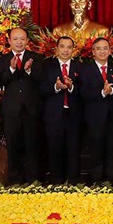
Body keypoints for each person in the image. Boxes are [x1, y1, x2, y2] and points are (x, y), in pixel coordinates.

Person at [0, 27, 43, 184]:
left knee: (32, 146)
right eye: (15, 39)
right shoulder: (3, 60)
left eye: (22, 39)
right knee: (13, 147)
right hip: (11, 111)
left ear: (27, 40)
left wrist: (28, 71)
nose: (19, 42)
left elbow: (42, 80)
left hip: (32, 110)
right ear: (9, 40)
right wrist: (12, 69)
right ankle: (15, 182)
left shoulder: (37, 58)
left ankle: (34, 182)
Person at [38, 36, 81, 184]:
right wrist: (56, 87)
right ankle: (56, 182)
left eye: (69, 47)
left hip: (74, 115)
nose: (65, 50)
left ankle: (73, 182)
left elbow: (84, 90)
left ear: (73, 50)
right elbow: (41, 89)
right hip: (53, 115)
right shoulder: (47, 66)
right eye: (62, 46)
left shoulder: (79, 67)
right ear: (56, 49)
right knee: (54, 148)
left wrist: (71, 87)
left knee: (73, 149)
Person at [78, 36, 113, 184]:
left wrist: (112, 91)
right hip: (94, 117)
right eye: (98, 49)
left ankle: (111, 179)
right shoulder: (85, 70)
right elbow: (83, 93)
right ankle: (96, 179)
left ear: (109, 51)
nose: (102, 51)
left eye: (105, 48)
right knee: (96, 148)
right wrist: (102, 93)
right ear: (93, 52)